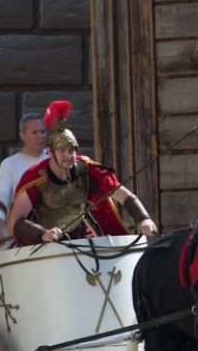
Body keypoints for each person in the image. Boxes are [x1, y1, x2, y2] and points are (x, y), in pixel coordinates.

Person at [8, 100, 158, 244]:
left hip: (83, 237)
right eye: (62, 150)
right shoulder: (36, 178)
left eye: (72, 150)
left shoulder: (88, 170)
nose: (69, 155)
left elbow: (124, 196)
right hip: (46, 244)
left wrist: (143, 218)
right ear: (50, 152)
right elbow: (16, 220)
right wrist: (43, 234)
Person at [0, 111, 48, 249]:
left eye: (43, 131)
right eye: (35, 132)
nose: (40, 136)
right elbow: (0, 200)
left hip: (53, 233)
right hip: (19, 238)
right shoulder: (9, 164)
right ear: (22, 135)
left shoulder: (53, 159)